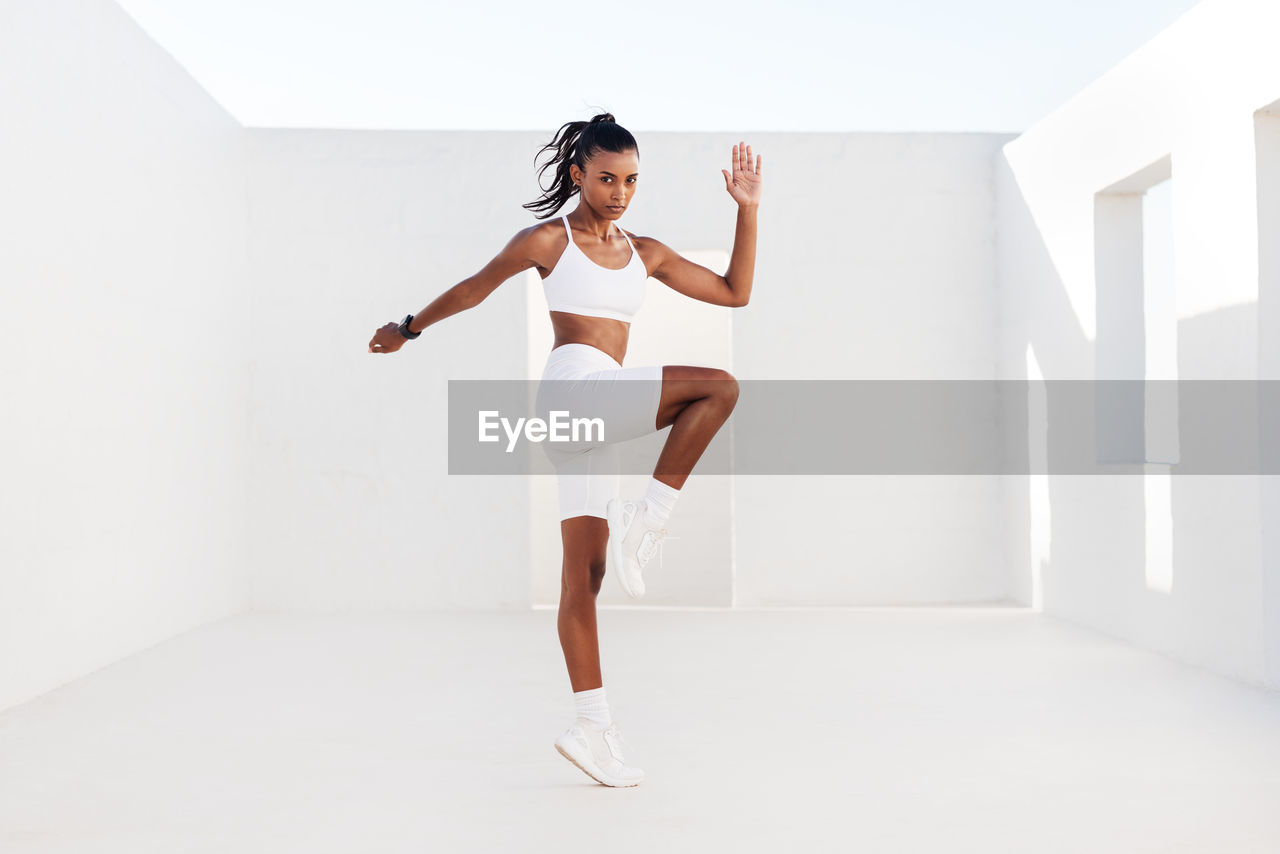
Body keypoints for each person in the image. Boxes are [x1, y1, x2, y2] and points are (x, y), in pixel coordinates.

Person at [367, 112, 762, 787]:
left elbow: (735, 292)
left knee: (586, 578)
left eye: (631, 180)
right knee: (717, 389)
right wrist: (409, 327)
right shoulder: (550, 240)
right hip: (576, 392)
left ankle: (592, 728)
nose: (619, 191)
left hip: (594, 409)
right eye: (606, 177)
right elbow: (475, 287)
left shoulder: (647, 253)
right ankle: (652, 518)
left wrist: (747, 211)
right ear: (577, 173)